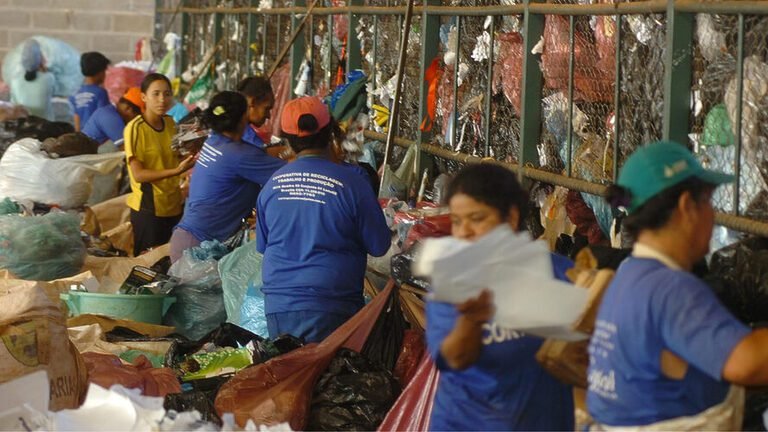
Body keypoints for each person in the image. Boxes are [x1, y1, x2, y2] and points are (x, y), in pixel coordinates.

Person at [587, 140, 768, 428]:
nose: (712, 214)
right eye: (708, 201)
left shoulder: (628, 275)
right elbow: (748, 364)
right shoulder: (669, 289)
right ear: (686, 207)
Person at [425, 163, 574, 431]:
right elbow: (454, 360)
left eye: (477, 218)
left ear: (511, 218)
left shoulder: (560, 275)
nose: (464, 232)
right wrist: (472, 321)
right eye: (457, 221)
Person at [256, 96, 391, 343]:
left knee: (294, 374)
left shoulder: (272, 185)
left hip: (279, 305)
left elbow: (264, 247)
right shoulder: (354, 183)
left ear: (288, 141)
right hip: (332, 305)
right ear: (330, 132)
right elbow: (380, 246)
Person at [170, 91, 285, 263]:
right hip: (197, 251)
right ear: (243, 118)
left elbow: (256, 155)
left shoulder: (213, 141)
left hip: (186, 241)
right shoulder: (238, 155)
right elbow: (293, 175)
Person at [124, 73, 195, 256]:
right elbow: (138, 175)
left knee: (167, 262)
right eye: (155, 94)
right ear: (143, 97)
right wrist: (176, 170)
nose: (162, 100)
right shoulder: (136, 128)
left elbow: (176, 156)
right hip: (149, 209)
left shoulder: (171, 124)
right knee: (147, 265)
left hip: (173, 204)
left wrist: (190, 155)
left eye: (167, 94)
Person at [10, 39, 55, 120]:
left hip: (23, 126)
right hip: (46, 126)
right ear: (40, 58)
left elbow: (14, 103)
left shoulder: (15, 80)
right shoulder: (49, 78)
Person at [70, 52, 111, 131]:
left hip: (82, 136)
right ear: (100, 73)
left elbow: (76, 118)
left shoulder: (75, 93)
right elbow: (104, 116)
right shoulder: (101, 93)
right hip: (96, 136)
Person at [237, 76, 274, 149]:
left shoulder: (224, 128)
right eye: (266, 109)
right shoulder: (251, 142)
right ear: (252, 101)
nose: (268, 116)